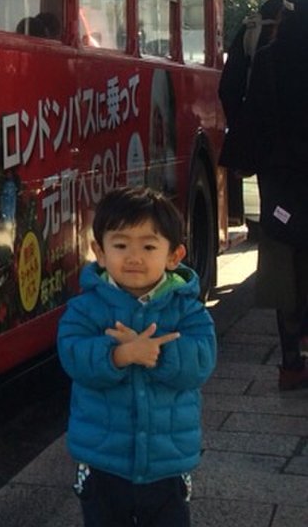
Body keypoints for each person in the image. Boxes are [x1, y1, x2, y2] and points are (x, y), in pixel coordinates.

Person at [57, 186, 216, 527]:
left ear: (174, 255)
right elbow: (73, 355)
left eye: (148, 246)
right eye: (120, 245)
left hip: (166, 462)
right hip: (102, 461)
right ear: (99, 251)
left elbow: (201, 362)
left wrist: (156, 353)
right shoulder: (85, 309)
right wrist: (118, 355)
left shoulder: (187, 308)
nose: (134, 257)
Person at [241, 0, 308, 390]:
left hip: (284, 183)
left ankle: (291, 364)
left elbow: (253, 122)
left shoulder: (269, 58)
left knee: (287, 269)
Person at [218, 0, 301, 189]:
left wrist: (246, 128)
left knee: (279, 215)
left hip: (273, 153)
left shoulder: (253, 29)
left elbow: (229, 88)